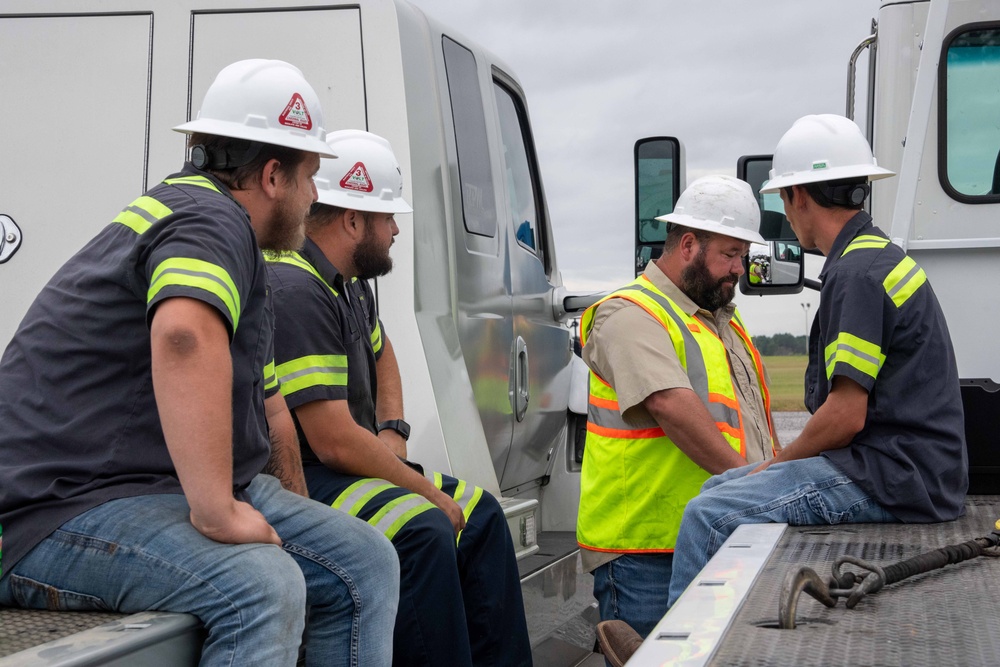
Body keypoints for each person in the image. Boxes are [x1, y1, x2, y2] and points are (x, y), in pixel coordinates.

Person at [0, 60, 400, 666]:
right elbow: (184, 336)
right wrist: (217, 511)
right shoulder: (210, 220)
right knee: (261, 585)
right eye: (311, 177)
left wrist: (275, 501)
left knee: (365, 560)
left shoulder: (226, 240)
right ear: (272, 175)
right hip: (53, 508)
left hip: (139, 491)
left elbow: (269, 412)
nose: (316, 196)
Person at [667, 114, 969, 607]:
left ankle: (679, 656)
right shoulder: (878, 257)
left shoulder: (856, 274)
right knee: (722, 484)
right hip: (913, 472)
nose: (786, 216)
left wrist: (780, 463)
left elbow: (846, 416)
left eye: (784, 200)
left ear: (799, 196)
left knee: (709, 513)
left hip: (892, 478)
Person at [266, 129, 532, 667]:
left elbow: (381, 351)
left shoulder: (348, 283)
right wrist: (421, 488)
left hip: (351, 460)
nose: (393, 232)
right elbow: (333, 441)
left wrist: (393, 431)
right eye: (389, 219)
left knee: (481, 518)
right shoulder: (296, 289)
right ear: (353, 220)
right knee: (425, 529)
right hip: (308, 475)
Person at [577, 174, 777, 640]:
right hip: (646, 554)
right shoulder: (627, 313)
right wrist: (758, 494)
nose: (738, 269)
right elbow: (670, 405)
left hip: (718, 531)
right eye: (730, 254)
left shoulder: (723, 321)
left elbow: (756, 426)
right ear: (688, 245)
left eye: (743, 256)